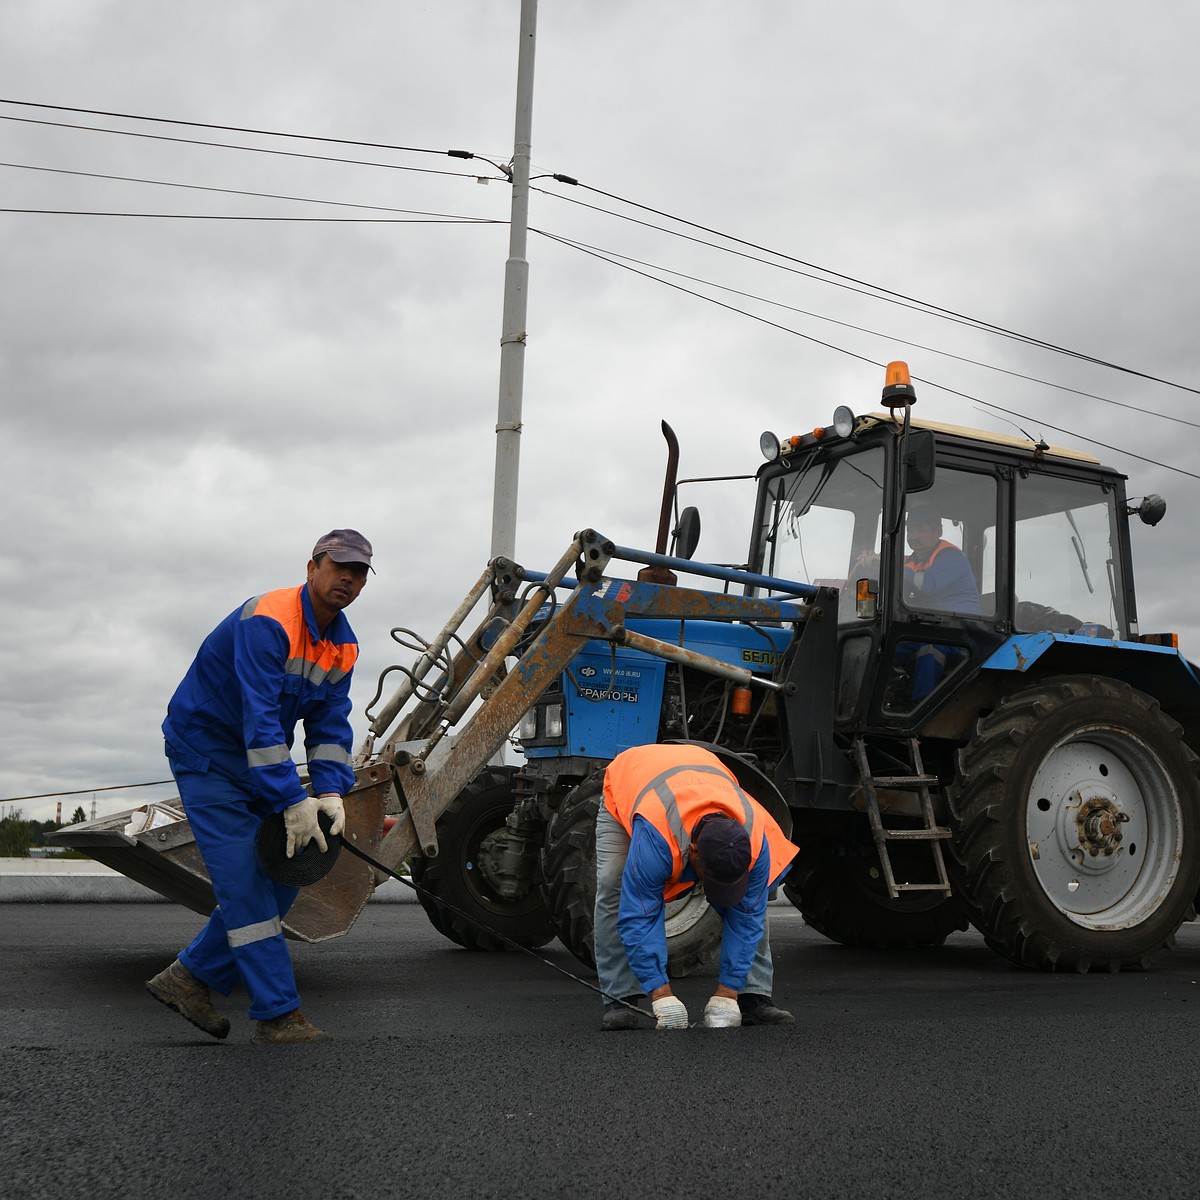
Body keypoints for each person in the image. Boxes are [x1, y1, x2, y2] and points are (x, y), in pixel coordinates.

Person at [146, 529, 373, 1045]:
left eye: (358, 572)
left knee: (289, 868)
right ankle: (277, 1015)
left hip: (253, 759)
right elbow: (261, 719)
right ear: (312, 566)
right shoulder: (268, 619)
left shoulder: (344, 644)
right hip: (205, 753)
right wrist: (293, 799)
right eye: (338, 566)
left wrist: (333, 791)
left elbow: (331, 724)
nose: (347, 579)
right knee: (247, 885)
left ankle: (188, 978)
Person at [594, 743, 801, 1031]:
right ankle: (620, 998)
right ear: (692, 852)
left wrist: (728, 991)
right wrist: (660, 992)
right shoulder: (657, 837)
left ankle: (753, 996)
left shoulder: (755, 838)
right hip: (632, 783)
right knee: (613, 884)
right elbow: (639, 913)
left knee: (755, 899)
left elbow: (748, 914)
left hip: (700, 773)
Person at [903, 505, 981, 616]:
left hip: (962, 625)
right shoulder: (910, 562)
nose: (913, 537)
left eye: (921, 530)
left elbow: (927, 586)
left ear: (938, 532)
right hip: (933, 621)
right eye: (910, 531)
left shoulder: (952, 557)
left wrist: (894, 569)